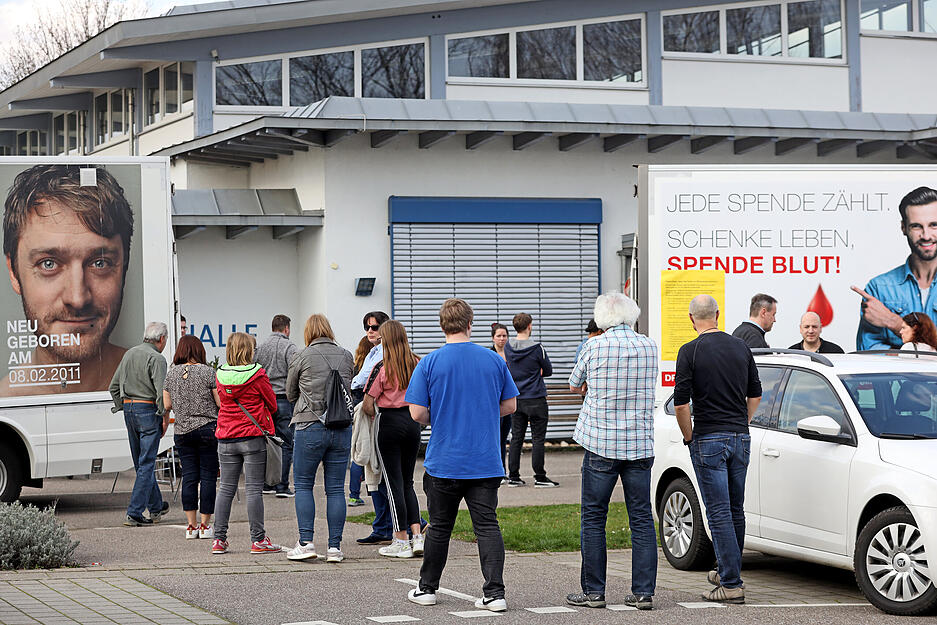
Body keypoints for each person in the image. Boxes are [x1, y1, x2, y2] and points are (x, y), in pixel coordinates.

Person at [405, 298, 518, 613]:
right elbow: (510, 406)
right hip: (484, 460)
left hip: (444, 460)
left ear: (442, 325)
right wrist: (482, 413)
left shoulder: (429, 362)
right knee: (487, 526)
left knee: (440, 526)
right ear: (470, 324)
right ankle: (495, 594)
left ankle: (427, 588)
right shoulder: (494, 360)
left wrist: (442, 416)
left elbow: (416, 413)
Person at [2, 164, 134, 396]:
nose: (77, 298)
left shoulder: (159, 388)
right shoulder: (6, 403)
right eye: (49, 263)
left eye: (99, 263)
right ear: (14, 272)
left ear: (124, 268)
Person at [565, 293, 658, 611]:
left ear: (602, 318)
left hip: (601, 443)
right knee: (642, 518)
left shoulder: (594, 346)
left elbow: (575, 384)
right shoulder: (649, 346)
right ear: (632, 315)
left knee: (593, 517)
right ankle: (643, 593)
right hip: (639, 444)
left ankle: (594, 592)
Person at [673, 295, 761, 604]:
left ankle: (732, 584)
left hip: (708, 437)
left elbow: (681, 403)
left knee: (719, 511)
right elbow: (755, 394)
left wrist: (689, 436)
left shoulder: (689, 351)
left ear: (691, 318)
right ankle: (729, 570)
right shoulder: (741, 347)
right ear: (718, 315)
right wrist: (741, 422)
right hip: (740, 436)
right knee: (736, 509)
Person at [284, 314, 354, 563]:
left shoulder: (301, 356)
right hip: (341, 427)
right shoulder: (346, 355)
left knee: (303, 484)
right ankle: (334, 548)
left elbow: (290, 393)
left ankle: (306, 542)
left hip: (309, 426)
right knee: (336, 488)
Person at [212, 332, 281, 555]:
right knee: (253, 490)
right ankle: (258, 540)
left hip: (226, 435)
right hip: (252, 436)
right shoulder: (258, 374)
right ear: (249, 350)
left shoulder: (220, 374)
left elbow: (223, 400)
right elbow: (272, 403)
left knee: (225, 490)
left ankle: (219, 540)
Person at [363, 320, 423, 558]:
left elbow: (368, 403)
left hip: (389, 423)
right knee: (408, 482)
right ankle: (417, 535)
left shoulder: (382, 366)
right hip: (413, 422)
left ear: (386, 339)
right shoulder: (417, 363)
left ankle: (400, 539)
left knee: (393, 484)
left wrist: (376, 410)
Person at [854, 187, 937, 350]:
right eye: (916, 226)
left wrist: (895, 323)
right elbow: (869, 353)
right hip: (898, 378)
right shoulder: (878, 288)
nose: (926, 235)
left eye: (934, 225)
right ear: (904, 228)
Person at [109, 322, 170, 527]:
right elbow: (161, 394)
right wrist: (164, 417)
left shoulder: (129, 354)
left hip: (129, 410)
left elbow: (113, 387)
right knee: (146, 463)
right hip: (147, 411)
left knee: (140, 463)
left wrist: (122, 406)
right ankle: (134, 512)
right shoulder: (157, 359)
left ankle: (156, 506)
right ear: (161, 339)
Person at [162, 335, 220, 539]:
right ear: (199, 351)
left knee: (189, 477)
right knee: (208, 477)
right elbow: (220, 402)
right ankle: (205, 526)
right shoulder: (208, 372)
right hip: (207, 429)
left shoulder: (172, 374)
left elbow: (167, 405)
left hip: (182, 431)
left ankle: (191, 526)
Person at [352, 311, 395, 546]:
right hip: (369, 406)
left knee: (379, 471)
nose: (370, 331)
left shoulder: (385, 354)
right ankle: (385, 525)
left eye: (375, 327)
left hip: (377, 410)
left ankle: (405, 521)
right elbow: (359, 379)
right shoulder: (372, 352)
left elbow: (364, 380)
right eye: (367, 327)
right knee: (374, 471)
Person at [504, 313, 557, 488]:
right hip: (536, 398)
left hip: (517, 399)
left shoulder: (508, 347)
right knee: (538, 439)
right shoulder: (537, 348)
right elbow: (548, 370)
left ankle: (513, 476)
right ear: (529, 326)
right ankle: (540, 476)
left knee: (516, 438)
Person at [255, 314, 299, 498]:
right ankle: (282, 485)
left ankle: (267, 483)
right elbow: (296, 371)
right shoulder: (289, 347)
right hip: (283, 398)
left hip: (264, 400)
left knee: (266, 442)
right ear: (286, 328)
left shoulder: (260, 347)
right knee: (286, 443)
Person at [348, 335, 373, 508]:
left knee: (358, 450)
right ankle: (368, 490)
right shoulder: (373, 367)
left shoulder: (355, 367)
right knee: (370, 452)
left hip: (355, 411)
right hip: (369, 410)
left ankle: (354, 493)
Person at [490, 323, 511, 477]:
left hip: (507, 401)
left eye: (504, 335)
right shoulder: (490, 355)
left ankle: (503, 469)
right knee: (494, 438)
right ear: (493, 338)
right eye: (499, 336)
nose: (502, 339)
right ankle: (495, 469)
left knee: (503, 438)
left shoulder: (511, 354)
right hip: (494, 402)